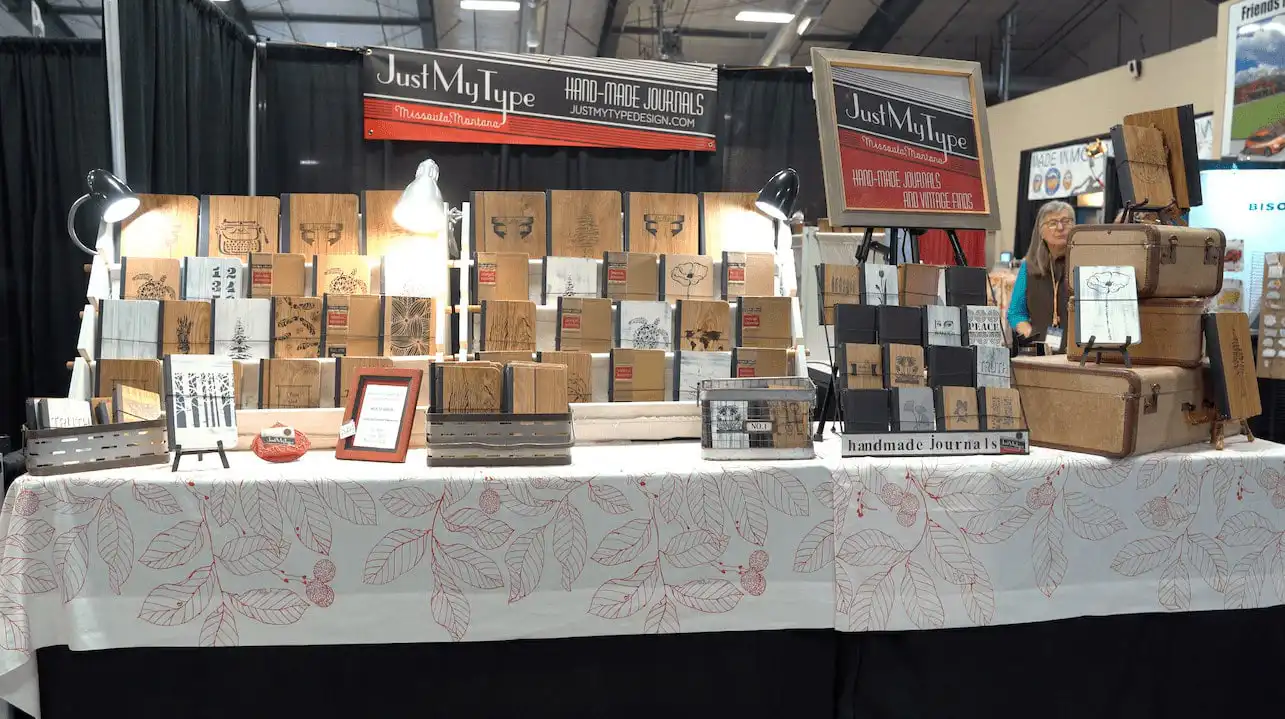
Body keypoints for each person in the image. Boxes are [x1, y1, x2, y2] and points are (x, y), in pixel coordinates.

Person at [1007, 201, 1075, 351]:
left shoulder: (1084, 263)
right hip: (1043, 354)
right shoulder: (1028, 267)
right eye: (1052, 223)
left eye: (1066, 221)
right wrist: (1032, 335)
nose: (1060, 228)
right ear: (1041, 232)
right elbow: (1016, 313)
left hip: (1080, 353)